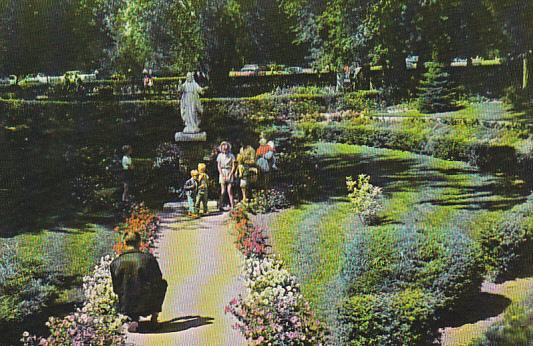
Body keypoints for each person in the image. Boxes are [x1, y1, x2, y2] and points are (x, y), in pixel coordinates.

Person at [110, 232, 167, 333]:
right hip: (147, 304)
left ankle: (133, 318)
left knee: (125, 289)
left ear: (124, 243)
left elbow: (116, 288)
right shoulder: (148, 259)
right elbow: (158, 280)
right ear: (139, 242)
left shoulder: (115, 263)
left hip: (127, 305)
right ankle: (154, 317)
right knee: (162, 284)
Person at [217, 141, 236, 211]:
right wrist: (222, 175)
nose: (225, 150)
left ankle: (233, 206)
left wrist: (230, 174)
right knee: (223, 190)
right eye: (223, 148)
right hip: (222, 172)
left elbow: (234, 166)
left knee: (229, 190)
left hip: (229, 171)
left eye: (226, 148)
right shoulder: (219, 156)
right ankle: (220, 206)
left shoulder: (231, 156)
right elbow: (218, 166)